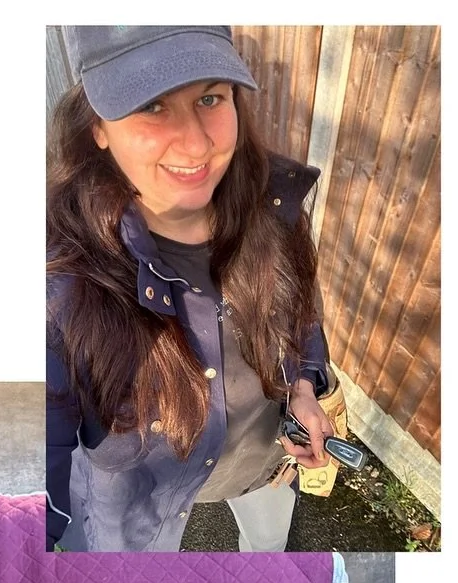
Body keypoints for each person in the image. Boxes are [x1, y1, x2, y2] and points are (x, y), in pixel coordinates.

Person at [47, 25, 336, 553]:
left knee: (266, 556)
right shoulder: (59, 284)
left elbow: (301, 311)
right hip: (139, 516)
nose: (198, 144)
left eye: (209, 98)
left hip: (262, 469)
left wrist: (302, 386)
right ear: (97, 127)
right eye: (152, 106)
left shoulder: (275, 210)